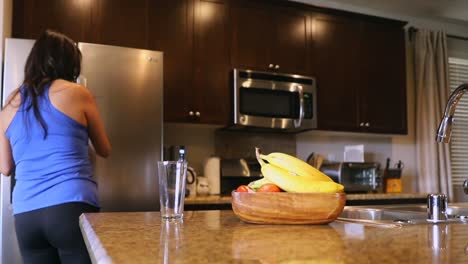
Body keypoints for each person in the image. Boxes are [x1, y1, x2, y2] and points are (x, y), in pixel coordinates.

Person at [0, 29, 111, 264]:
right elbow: (104, 149)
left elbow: (5, 167)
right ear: (68, 63)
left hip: (26, 215)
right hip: (70, 208)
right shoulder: (77, 92)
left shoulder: (8, 105)